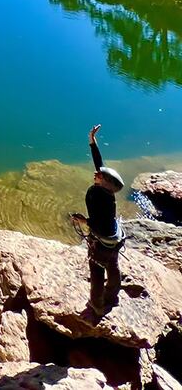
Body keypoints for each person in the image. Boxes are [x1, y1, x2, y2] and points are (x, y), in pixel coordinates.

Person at [72, 124, 125, 314]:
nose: (96, 173)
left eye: (100, 175)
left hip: (102, 242)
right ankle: (113, 294)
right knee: (113, 265)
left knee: (96, 271)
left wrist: (81, 220)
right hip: (114, 239)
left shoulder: (102, 199)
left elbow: (98, 224)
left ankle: (97, 305)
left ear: (105, 182)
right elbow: (98, 163)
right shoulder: (106, 191)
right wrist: (92, 141)